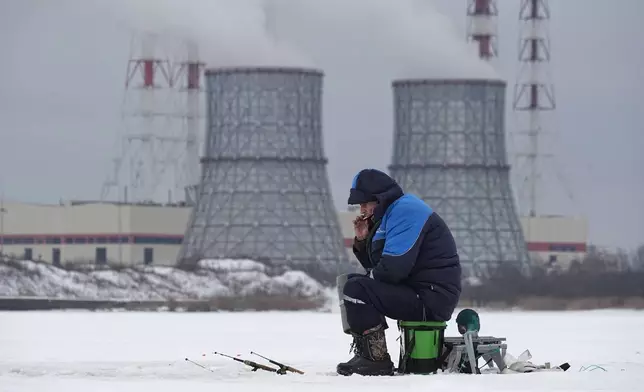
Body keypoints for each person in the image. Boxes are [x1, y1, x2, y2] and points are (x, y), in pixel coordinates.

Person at [336, 168, 462, 376]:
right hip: (419, 292)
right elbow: (377, 267)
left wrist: (366, 283)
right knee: (351, 284)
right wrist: (362, 239)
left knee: (355, 287)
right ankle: (368, 352)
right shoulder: (391, 215)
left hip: (431, 297)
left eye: (365, 203)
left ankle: (374, 359)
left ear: (379, 199)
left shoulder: (406, 211)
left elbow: (394, 270)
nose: (362, 209)